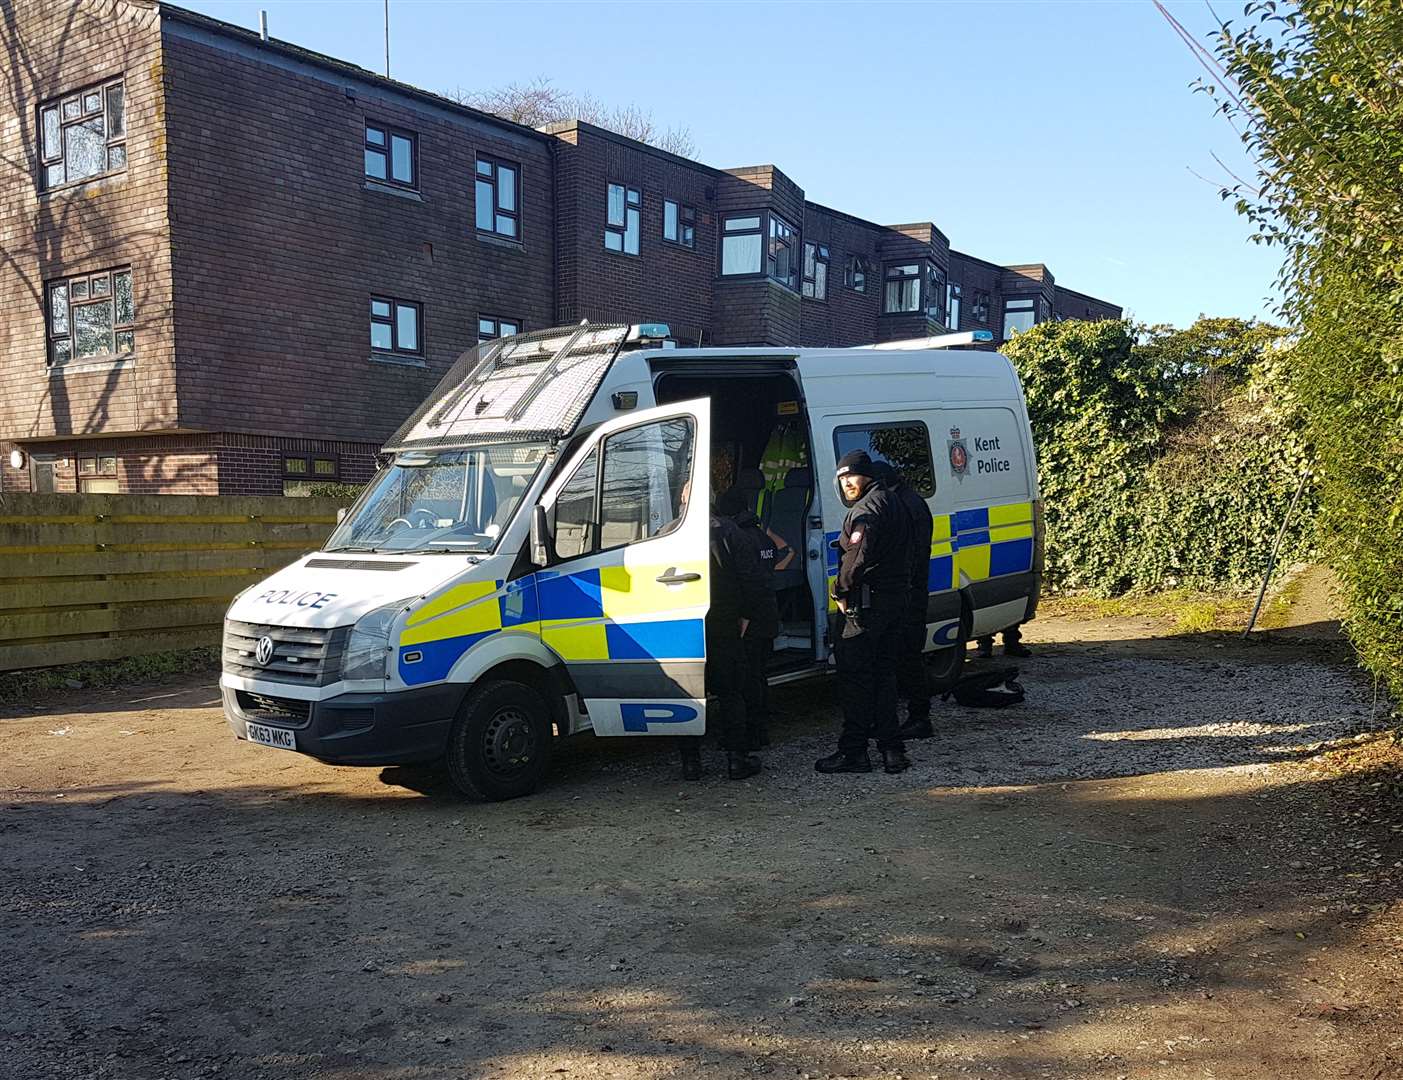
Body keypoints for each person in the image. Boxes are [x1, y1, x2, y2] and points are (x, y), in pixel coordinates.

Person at [816, 450, 913, 776]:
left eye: (851, 477)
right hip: (893, 602)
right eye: (841, 478)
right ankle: (892, 749)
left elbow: (858, 554)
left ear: (866, 475)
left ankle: (854, 752)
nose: (846, 484)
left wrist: (839, 590)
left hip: (865, 608)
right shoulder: (893, 501)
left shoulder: (867, 509)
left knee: (856, 681)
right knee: (884, 677)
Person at [689, 506, 768, 781]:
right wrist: (746, 615)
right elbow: (752, 577)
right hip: (724, 623)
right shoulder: (730, 531)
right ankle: (737, 761)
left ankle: (691, 764)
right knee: (731, 693)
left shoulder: (667, 534)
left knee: (687, 694)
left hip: (683, 626)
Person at [716, 485, 795, 750]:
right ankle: (761, 730)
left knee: (746, 680)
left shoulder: (737, 539)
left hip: (748, 619)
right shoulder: (763, 538)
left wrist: (742, 615)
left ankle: (751, 734)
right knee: (759, 675)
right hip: (768, 614)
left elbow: (746, 581)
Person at [873, 463, 935, 741]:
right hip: (908, 590)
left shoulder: (906, 506)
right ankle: (910, 716)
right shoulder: (908, 501)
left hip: (909, 592)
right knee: (902, 657)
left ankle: (919, 717)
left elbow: (914, 554)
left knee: (909, 657)